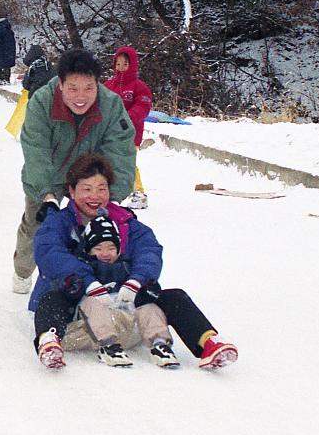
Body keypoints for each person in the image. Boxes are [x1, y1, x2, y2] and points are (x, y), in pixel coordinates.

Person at [30, 153, 238, 370]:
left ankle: (208, 343)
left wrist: (137, 281)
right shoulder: (59, 223)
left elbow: (149, 251)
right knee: (51, 299)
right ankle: (49, 340)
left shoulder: (124, 221)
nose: (95, 196)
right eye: (87, 189)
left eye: (101, 189)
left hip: (124, 306)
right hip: (81, 314)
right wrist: (87, 282)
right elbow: (50, 254)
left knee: (174, 297)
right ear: (72, 192)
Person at [13, 48, 137, 294]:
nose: (81, 97)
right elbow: (36, 151)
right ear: (60, 84)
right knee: (36, 224)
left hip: (88, 176)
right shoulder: (42, 102)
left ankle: (89, 281)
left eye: (89, 88)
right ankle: (22, 270)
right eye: (73, 89)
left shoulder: (111, 106)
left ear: (97, 84)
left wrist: (108, 198)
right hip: (50, 171)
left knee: (97, 228)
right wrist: (46, 196)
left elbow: (121, 154)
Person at [104, 46, 154, 208]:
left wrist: (126, 119)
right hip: (109, 134)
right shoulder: (109, 85)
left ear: (132, 65)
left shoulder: (139, 87)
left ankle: (139, 194)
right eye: (118, 64)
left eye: (124, 64)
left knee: (127, 163)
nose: (120, 68)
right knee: (108, 162)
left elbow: (143, 106)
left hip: (130, 134)